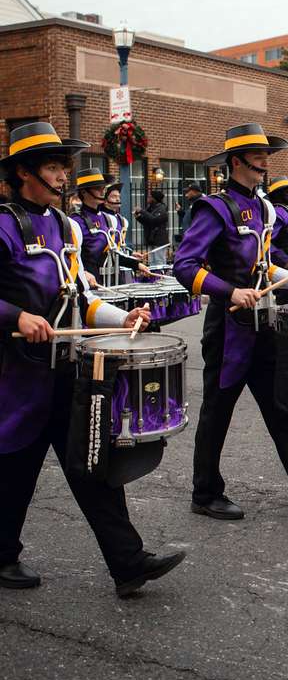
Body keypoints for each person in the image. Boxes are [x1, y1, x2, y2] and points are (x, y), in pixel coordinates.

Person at [0, 121, 184, 597]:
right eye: (52, 166)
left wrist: (121, 318)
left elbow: (81, 298)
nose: (64, 176)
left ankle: (128, 563)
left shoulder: (65, 226)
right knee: (13, 469)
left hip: (65, 369)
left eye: (64, 166)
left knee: (90, 462)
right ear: (23, 172)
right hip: (15, 375)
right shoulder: (3, 223)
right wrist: (17, 316)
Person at [173, 122, 288, 525]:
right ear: (236, 162)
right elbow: (183, 266)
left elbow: (259, 265)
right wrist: (228, 291)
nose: (265, 164)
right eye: (258, 157)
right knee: (218, 411)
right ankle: (205, 492)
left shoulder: (263, 208)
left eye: (266, 157)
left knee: (284, 410)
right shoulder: (213, 207)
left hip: (263, 323)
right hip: (229, 328)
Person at [72, 169, 149, 287]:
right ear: (84, 192)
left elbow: (113, 253)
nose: (103, 191)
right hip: (89, 285)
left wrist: (137, 265)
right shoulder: (75, 221)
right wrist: (82, 273)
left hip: (111, 282)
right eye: (98, 188)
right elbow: (71, 258)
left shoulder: (108, 219)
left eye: (103, 188)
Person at [135, 190, 169, 266]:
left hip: (159, 240)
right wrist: (139, 217)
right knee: (152, 262)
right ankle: (153, 278)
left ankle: (160, 277)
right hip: (151, 239)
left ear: (154, 198)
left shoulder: (162, 209)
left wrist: (142, 211)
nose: (148, 198)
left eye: (150, 197)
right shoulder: (151, 208)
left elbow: (154, 220)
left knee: (159, 261)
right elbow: (148, 223)